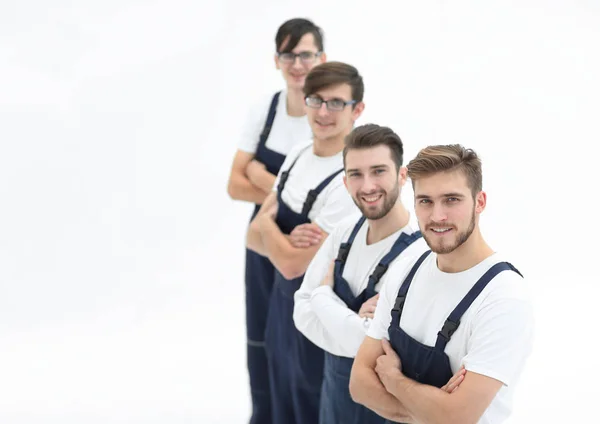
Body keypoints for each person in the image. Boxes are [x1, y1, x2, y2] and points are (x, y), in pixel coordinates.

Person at [293, 123, 468, 424]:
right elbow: (301, 313)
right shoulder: (343, 233)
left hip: (385, 410)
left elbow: (373, 345)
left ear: (402, 176)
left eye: (378, 171)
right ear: (345, 182)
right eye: (356, 174)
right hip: (334, 400)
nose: (368, 185)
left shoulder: (421, 255)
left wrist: (323, 297)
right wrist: (354, 326)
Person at [349, 144, 534, 424]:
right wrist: (430, 410)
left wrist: (393, 379)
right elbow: (359, 385)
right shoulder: (406, 270)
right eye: (425, 201)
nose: (437, 216)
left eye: (451, 200)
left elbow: (456, 417)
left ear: (480, 202)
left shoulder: (503, 298)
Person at [246, 61, 365, 424]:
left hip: (319, 317)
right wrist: (274, 233)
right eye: (315, 100)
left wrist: (268, 224)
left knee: (313, 405)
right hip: (281, 310)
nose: (323, 112)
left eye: (336, 103)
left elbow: (293, 264)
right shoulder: (298, 153)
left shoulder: (351, 178)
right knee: (279, 396)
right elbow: (251, 238)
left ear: (357, 110)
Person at [225, 18, 326, 424]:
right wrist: (284, 194)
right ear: (276, 60)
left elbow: (329, 192)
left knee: (301, 343)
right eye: (289, 55)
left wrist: (261, 177)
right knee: (262, 339)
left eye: (306, 54)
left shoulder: (325, 116)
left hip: (307, 242)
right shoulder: (264, 110)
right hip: (260, 241)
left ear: (322, 58)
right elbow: (234, 184)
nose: (297, 63)